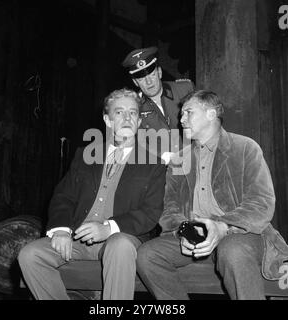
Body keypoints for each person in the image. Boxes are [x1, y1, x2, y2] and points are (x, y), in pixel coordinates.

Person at [137, 90, 288, 300]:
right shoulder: (179, 160)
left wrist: (222, 226)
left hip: (241, 234)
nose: (181, 120)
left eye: (188, 112)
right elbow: (169, 208)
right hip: (195, 236)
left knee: (232, 250)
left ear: (211, 114)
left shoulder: (245, 148)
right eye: (181, 114)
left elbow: (261, 203)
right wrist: (183, 231)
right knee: (147, 255)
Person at [18, 88, 166, 300]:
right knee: (30, 255)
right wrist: (61, 230)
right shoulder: (86, 155)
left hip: (123, 239)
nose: (127, 118)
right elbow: (63, 197)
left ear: (139, 122)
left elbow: (150, 213)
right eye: (119, 112)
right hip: (78, 238)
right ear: (107, 120)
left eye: (133, 113)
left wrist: (108, 229)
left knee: (119, 245)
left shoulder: (154, 163)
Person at [122, 46, 194, 163]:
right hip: (161, 169)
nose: (149, 82)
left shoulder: (185, 89)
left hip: (194, 162)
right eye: (142, 79)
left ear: (159, 72)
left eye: (152, 75)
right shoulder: (133, 107)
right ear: (135, 82)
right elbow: (133, 143)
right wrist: (161, 156)